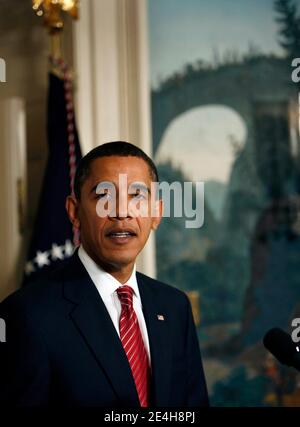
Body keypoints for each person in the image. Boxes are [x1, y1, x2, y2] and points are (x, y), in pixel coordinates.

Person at [0, 141, 209, 407]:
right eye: (104, 197)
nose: (121, 212)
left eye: (137, 196)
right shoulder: (27, 314)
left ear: (156, 213)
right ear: (74, 212)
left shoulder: (174, 307)